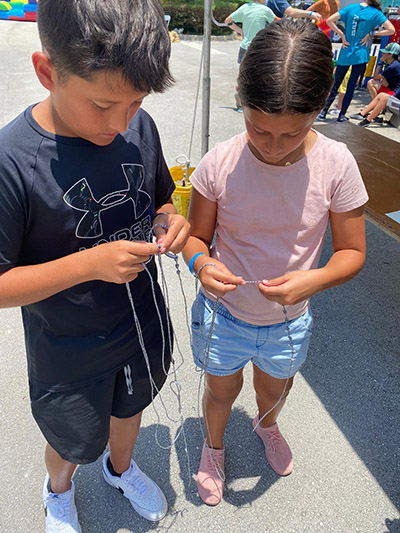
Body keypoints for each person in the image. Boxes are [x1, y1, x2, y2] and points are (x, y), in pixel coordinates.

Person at [0, 0, 190, 531]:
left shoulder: (138, 126)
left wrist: (169, 222)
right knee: (71, 436)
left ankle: (120, 467)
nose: (121, 122)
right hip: (67, 347)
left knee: (130, 409)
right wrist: (90, 264)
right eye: (103, 105)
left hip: (140, 323)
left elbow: (160, 200)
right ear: (47, 72)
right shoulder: (14, 161)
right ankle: (58, 490)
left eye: (135, 103)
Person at [183, 18, 369, 507]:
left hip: (289, 319)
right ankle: (214, 445)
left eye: (291, 133)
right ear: (241, 97)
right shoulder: (219, 163)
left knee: (273, 390)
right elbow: (196, 239)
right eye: (257, 127)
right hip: (224, 316)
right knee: (221, 393)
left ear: (318, 110)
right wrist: (202, 267)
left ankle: (268, 426)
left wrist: (314, 279)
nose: (270, 145)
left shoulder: (337, 164)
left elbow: (352, 253)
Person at [317, 0, 395, 122]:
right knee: (351, 85)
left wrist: (342, 35)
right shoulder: (376, 13)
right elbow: (391, 30)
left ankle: (323, 112)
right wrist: (372, 33)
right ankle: (341, 115)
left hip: (346, 51)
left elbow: (329, 21)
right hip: (361, 54)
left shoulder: (350, 8)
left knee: (336, 84)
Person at [225, 0, 277, 111]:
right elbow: (279, 23)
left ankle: (240, 99)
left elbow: (228, 21)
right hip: (259, 47)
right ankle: (256, 102)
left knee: (244, 75)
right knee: (260, 75)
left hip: (244, 47)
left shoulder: (244, 8)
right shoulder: (265, 10)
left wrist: (240, 31)